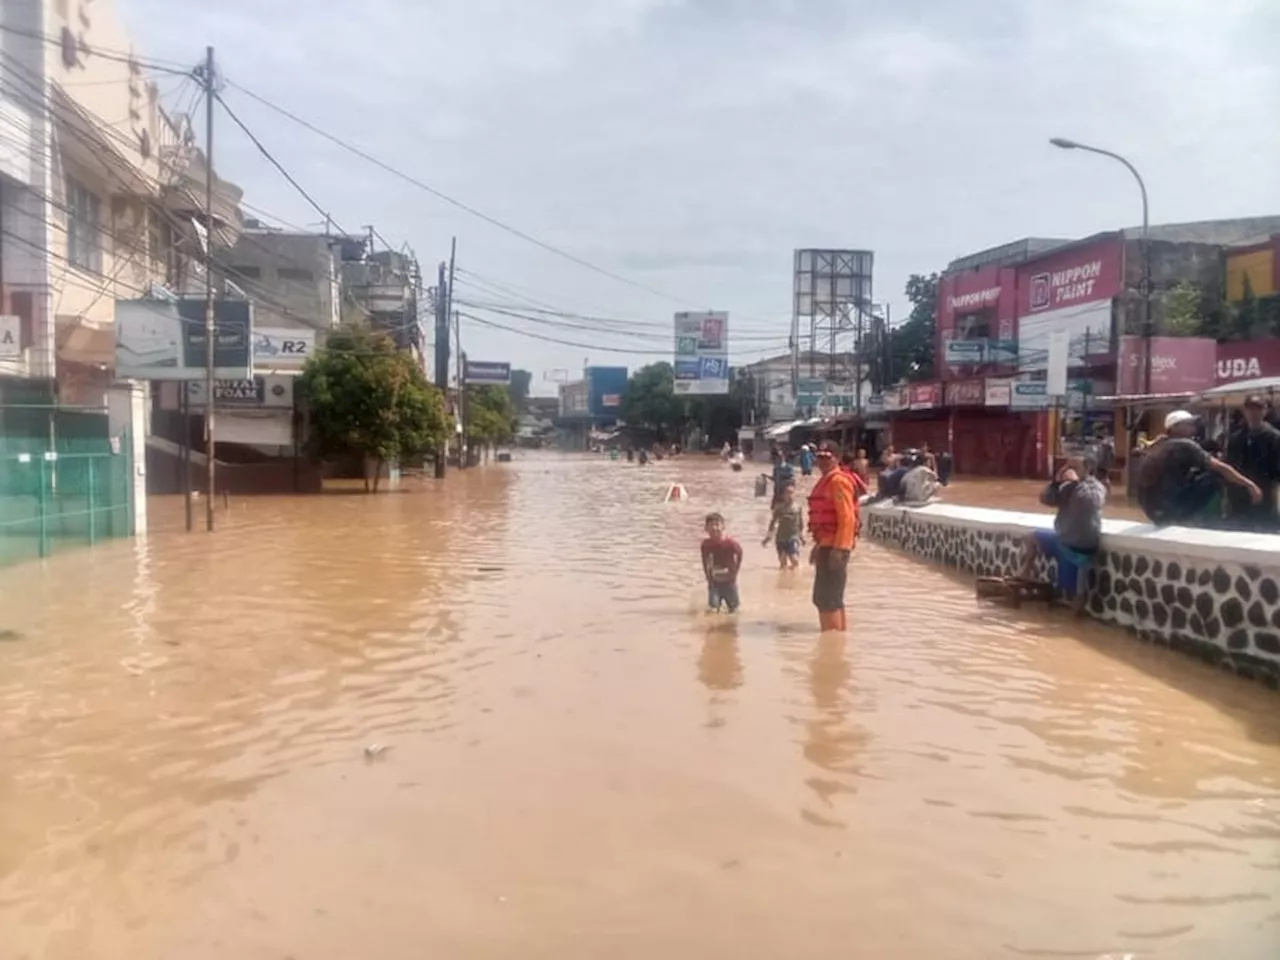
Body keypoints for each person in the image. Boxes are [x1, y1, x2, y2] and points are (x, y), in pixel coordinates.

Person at [1137, 410, 1261, 527]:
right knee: (1217, 475)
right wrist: (1250, 485)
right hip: (1168, 511)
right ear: (1175, 428)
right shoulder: (1185, 445)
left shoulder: (1159, 444)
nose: (1193, 426)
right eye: (1189, 424)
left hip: (1153, 512)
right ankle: (1213, 519)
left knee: (1199, 473)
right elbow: (1221, 468)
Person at [1017, 454, 1106, 611]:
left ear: (1087, 469)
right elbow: (1045, 499)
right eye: (1069, 466)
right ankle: (1025, 573)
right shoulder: (1066, 487)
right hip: (1062, 540)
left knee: (1077, 596)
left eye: (1075, 467)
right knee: (1032, 538)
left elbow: (1089, 503)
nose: (1071, 470)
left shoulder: (1095, 487)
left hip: (1080, 547)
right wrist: (1056, 482)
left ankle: (1073, 622)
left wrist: (1075, 483)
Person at [807, 442, 857, 632]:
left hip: (836, 548)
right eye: (819, 457)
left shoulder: (837, 481)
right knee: (829, 597)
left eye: (827, 457)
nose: (822, 461)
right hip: (827, 545)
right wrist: (818, 546)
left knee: (827, 598)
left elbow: (847, 518)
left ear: (836, 458)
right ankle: (837, 638)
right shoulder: (827, 480)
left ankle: (832, 640)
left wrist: (840, 549)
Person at [1226, 396, 1280, 532]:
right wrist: (1226, 495)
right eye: (1250, 409)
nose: (1254, 413)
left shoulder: (1274, 437)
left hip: (1265, 492)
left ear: (1265, 411)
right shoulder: (1236, 437)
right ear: (1244, 411)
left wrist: (1275, 493)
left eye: (1258, 409)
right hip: (1239, 494)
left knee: (1264, 532)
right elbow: (1229, 465)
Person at [701, 512, 743, 613]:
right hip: (714, 582)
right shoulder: (705, 545)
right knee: (713, 609)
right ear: (706, 528)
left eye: (717, 525)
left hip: (729, 582)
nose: (714, 528)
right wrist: (708, 576)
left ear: (723, 527)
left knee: (734, 609)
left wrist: (735, 572)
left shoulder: (730, 543)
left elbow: (740, 555)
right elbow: (704, 561)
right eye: (711, 525)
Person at [763, 482, 805, 570]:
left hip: (792, 537)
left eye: (791, 493)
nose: (789, 495)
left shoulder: (798, 508)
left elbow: (800, 523)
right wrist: (769, 536)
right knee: (783, 562)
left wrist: (801, 536)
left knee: (794, 560)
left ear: (795, 494)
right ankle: (784, 580)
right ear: (783, 496)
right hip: (780, 538)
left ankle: (796, 577)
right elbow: (773, 522)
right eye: (787, 493)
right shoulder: (779, 508)